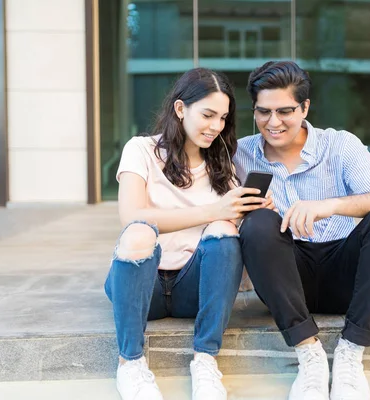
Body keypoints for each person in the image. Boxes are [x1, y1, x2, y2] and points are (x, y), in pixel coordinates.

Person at [234, 61, 370, 400]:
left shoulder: (340, 145)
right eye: (263, 112)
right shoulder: (238, 154)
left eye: (285, 111)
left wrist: (328, 205)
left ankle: (351, 353)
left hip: (344, 269)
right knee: (257, 224)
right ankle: (309, 355)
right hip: (286, 278)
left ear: (305, 107)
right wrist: (248, 214)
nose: (273, 122)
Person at [104, 68, 270, 400]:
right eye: (208, 115)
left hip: (193, 288)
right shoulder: (141, 150)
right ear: (180, 109)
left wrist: (254, 212)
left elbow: (227, 234)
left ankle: (205, 360)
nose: (216, 126)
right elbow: (132, 216)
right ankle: (130, 364)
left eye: (223, 118)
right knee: (139, 233)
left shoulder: (225, 165)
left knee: (224, 229)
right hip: (144, 286)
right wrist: (214, 211)